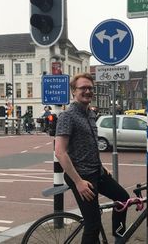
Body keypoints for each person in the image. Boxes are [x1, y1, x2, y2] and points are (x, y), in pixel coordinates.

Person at [55, 73, 129, 243]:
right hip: (82, 176)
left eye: (90, 88)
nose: (87, 91)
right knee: (93, 224)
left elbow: (89, 147)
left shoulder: (90, 114)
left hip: (96, 172)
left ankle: (118, 237)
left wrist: (101, 167)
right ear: (73, 91)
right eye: (83, 88)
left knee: (123, 199)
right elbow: (60, 152)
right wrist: (78, 182)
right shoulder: (67, 116)